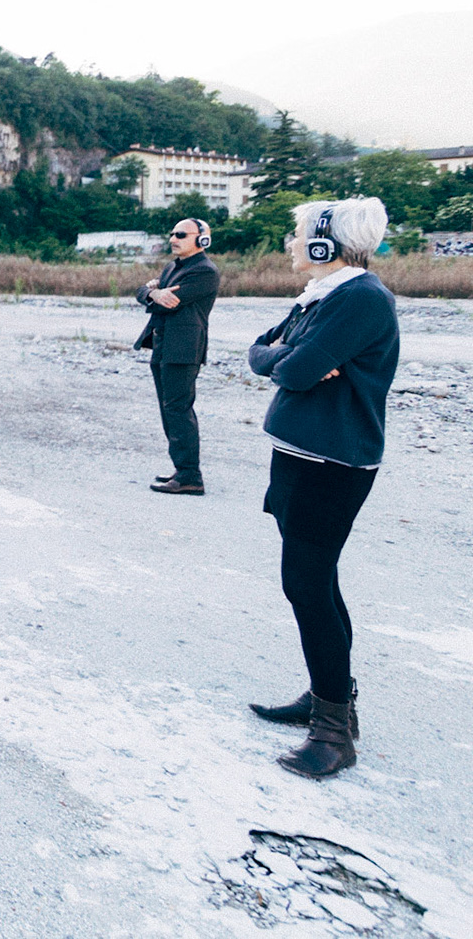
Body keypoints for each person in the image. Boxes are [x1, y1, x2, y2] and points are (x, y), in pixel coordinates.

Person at [246, 199, 399, 780]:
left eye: (299, 233)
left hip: (332, 461)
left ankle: (335, 729)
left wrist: (293, 362)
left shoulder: (359, 297)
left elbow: (295, 371)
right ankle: (326, 694)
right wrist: (290, 358)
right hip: (300, 454)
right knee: (317, 582)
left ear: (324, 243)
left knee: (306, 585)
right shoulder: (323, 295)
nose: (291, 241)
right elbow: (264, 352)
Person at [134, 218, 221, 494]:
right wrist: (152, 292)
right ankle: (181, 469)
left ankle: (190, 476)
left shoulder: (205, 271)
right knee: (168, 408)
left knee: (178, 409)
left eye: (181, 234)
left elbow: (169, 304)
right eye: (172, 233)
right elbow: (146, 294)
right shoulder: (172, 267)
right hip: (163, 345)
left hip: (183, 348)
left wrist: (154, 294)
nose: (174, 238)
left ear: (202, 239)